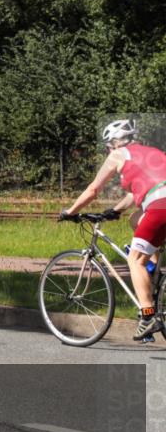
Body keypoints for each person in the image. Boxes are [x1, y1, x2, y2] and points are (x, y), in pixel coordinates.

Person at [60, 119, 166, 340]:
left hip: (160, 206)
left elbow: (93, 190)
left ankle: (147, 316)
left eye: (108, 146)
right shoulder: (151, 152)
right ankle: (153, 271)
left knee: (134, 259)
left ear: (115, 143)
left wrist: (70, 211)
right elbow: (138, 193)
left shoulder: (118, 155)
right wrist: (115, 210)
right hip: (158, 204)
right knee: (136, 220)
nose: (108, 150)